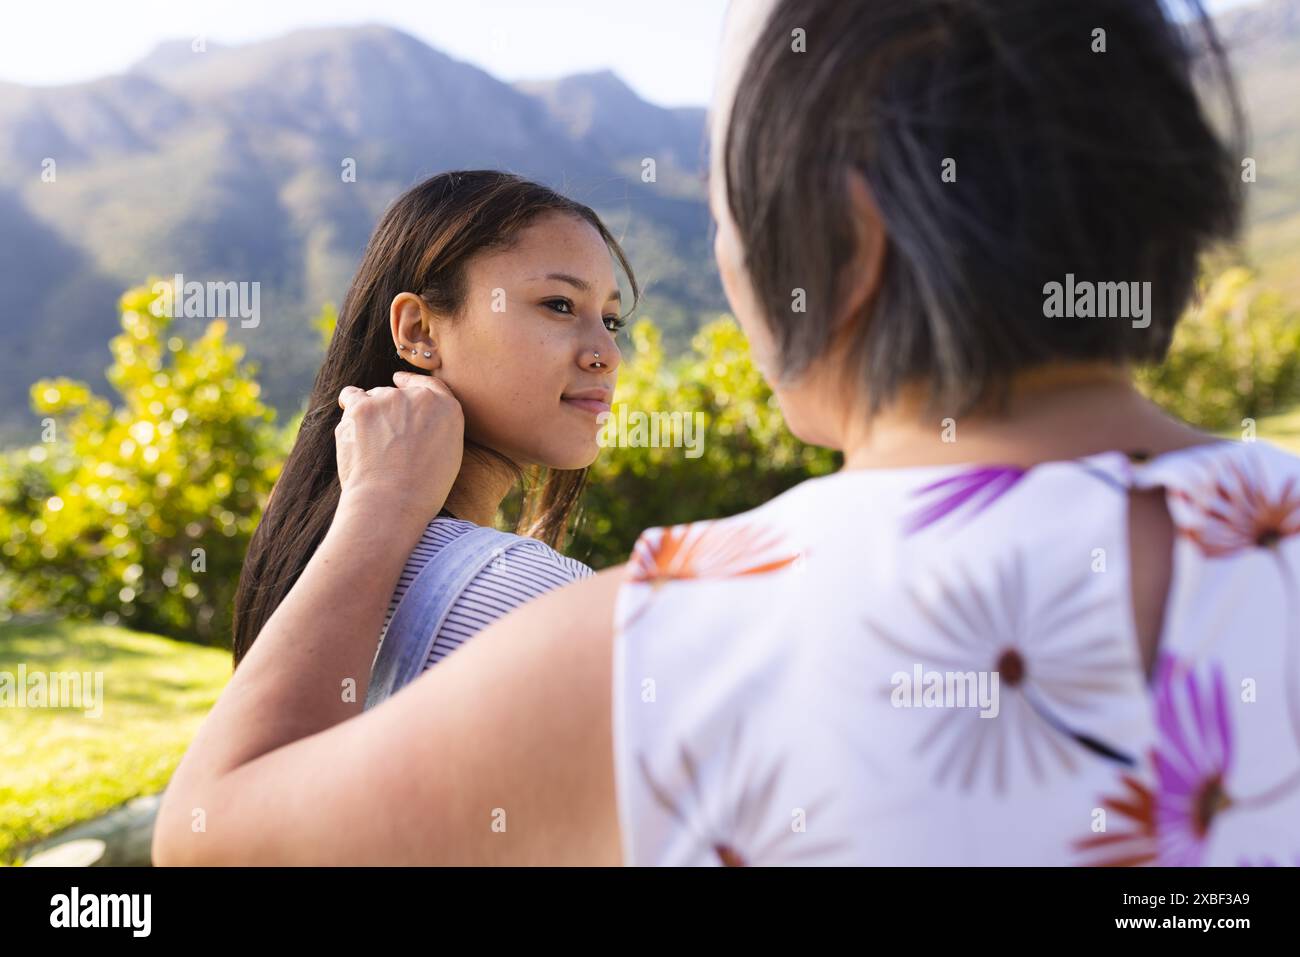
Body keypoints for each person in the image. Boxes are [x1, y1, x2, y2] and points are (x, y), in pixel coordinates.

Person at [154, 0, 1300, 866]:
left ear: (847, 242)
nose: (604, 345)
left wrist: (377, 511)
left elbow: (207, 833)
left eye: (724, 216)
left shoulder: (670, 645)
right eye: (560, 307)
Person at [229, 171, 634, 704]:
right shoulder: (527, 595)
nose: (605, 353)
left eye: (611, 320)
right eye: (559, 305)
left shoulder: (313, 551)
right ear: (419, 331)